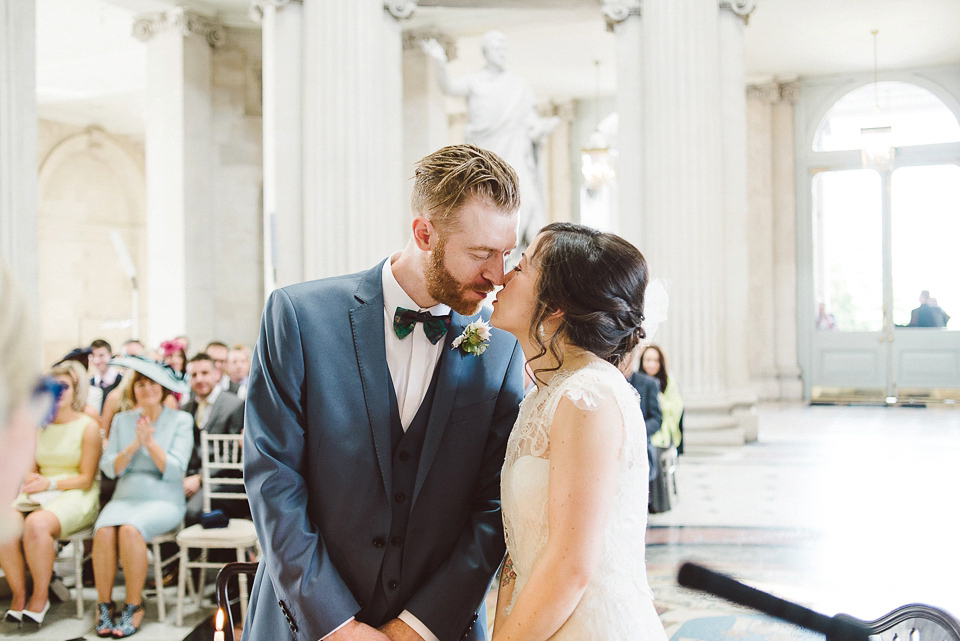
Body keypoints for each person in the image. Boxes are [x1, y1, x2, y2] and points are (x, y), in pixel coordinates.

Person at [242, 144, 525, 641]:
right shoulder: (300, 316)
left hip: (436, 628)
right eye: (481, 254)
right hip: (306, 623)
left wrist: (416, 628)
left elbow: (494, 507)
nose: (497, 276)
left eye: (506, 254)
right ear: (424, 234)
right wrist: (335, 624)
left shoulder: (502, 347)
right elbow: (273, 477)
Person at [489, 222, 667, 641]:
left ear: (554, 307)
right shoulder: (545, 394)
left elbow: (571, 566)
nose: (504, 274)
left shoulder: (590, 395)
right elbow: (520, 550)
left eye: (523, 267)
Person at [423, 31, 559, 248]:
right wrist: (439, 60)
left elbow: (530, 123)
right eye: (497, 49)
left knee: (528, 201)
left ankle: (518, 251)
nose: (501, 54)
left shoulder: (518, 84)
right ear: (486, 53)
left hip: (514, 149)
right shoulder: (475, 81)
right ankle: (493, 248)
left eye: (503, 50)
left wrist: (541, 128)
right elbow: (449, 87)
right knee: (487, 203)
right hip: (487, 151)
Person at [92, 357, 192, 638]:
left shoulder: (181, 420)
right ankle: (104, 604)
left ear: (161, 388)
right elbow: (109, 469)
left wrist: (150, 443)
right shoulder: (124, 421)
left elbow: (175, 471)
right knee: (103, 531)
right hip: (125, 497)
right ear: (133, 389)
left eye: (151, 384)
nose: (146, 389)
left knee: (129, 529)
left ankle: (134, 605)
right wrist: (135, 445)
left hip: (164, 498)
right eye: (140, 384)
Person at [1, 362, 101, 629]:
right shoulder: (38, 425)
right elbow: (31, 468)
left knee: (37, 524)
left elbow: (86, 478)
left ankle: (40, 596)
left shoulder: (87, 426)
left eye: (64, 386)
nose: (57, 392)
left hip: (76, 491)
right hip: (42, 491)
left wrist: (49, 483)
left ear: (75, 389)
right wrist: (31, 479)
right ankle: (19, 594)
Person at [181, 353, 245, 524]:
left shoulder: (235, 405)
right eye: (194, 375)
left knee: (192, 512)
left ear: (217, 374)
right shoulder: (186, 409)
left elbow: (232, 453)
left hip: (222, 478)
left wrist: (201, 478)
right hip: (190, 477)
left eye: (204, 373)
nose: (199, 379)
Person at [641, 345, 684, 453]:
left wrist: (660, 401)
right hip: (644, 436)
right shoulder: (638, 381)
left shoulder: (669, 381)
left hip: (664, 437)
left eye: (656, 360)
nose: (652, 364)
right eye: (648, 360)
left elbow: (676, 405)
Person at [90, 339, 123, 412]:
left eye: (101, 355)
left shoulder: (122, 382)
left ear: (111, 355)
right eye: (93, 356)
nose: (96, 361)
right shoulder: (89, 384)